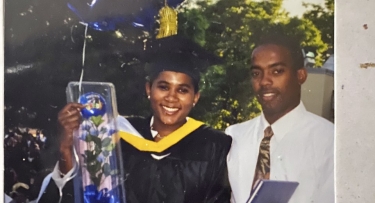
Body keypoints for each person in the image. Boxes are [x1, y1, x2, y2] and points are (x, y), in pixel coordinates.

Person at [34, 36, 232, 203]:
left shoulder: (215, 145)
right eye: (163, 87)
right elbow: (83, 192)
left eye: (183, 90)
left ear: (195, 97)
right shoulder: (117, 134)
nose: (171, 97)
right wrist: (66, 149)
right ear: (149, 89)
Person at [226, 34, 334, 203]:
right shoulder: (235, 136)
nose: (264, 82)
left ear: (301, 76)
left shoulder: (329, 140)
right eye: (256, 73)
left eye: (277, 71)